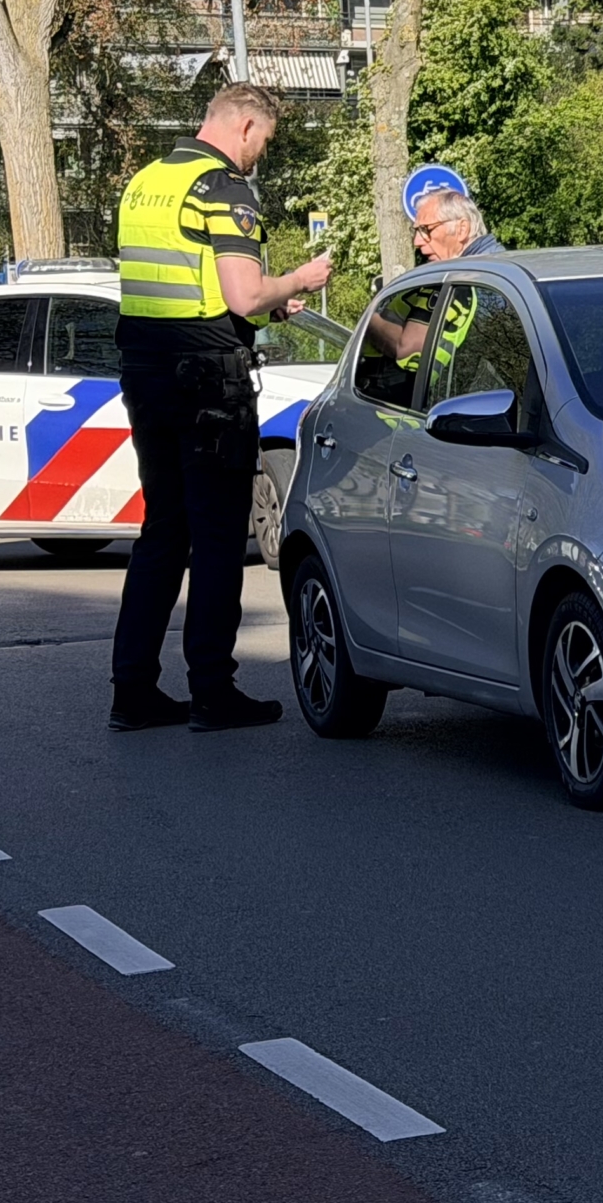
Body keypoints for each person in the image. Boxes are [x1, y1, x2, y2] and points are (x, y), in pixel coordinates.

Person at [108, 83, 331, 733]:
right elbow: (241, 296)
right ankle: (212, 688)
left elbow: (184, 280)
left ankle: (133, 689)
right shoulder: (223, 188)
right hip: (208, 384)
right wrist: (296, 282)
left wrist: (265, 298)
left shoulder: (146, 182)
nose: (260, 156)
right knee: (214, 537)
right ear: (244, 125)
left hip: (146, 375)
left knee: (163, 530)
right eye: (263, 141)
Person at [364, 187, 506, 375]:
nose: (417, 242)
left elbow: (410, 351)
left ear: (462, 229)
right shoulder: (502, 267)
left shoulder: (471, 281)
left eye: (426, 230)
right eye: (416, 231)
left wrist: (369, 317)